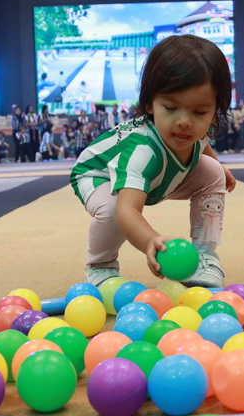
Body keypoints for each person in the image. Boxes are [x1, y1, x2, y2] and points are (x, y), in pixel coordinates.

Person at [70, 34, 235, 289]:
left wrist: (218, 167)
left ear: (214, 112)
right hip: (99, 174)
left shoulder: (200, 129)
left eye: (200, 112)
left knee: (214, 172)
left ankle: (205, 255)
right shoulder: (143, 151)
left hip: (157, 176)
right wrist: (150, 240)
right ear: (149, 103)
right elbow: (127, 210)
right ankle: (100, 266)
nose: (184, 122)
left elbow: (203, 144)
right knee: (113, 210)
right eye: (170, 108)